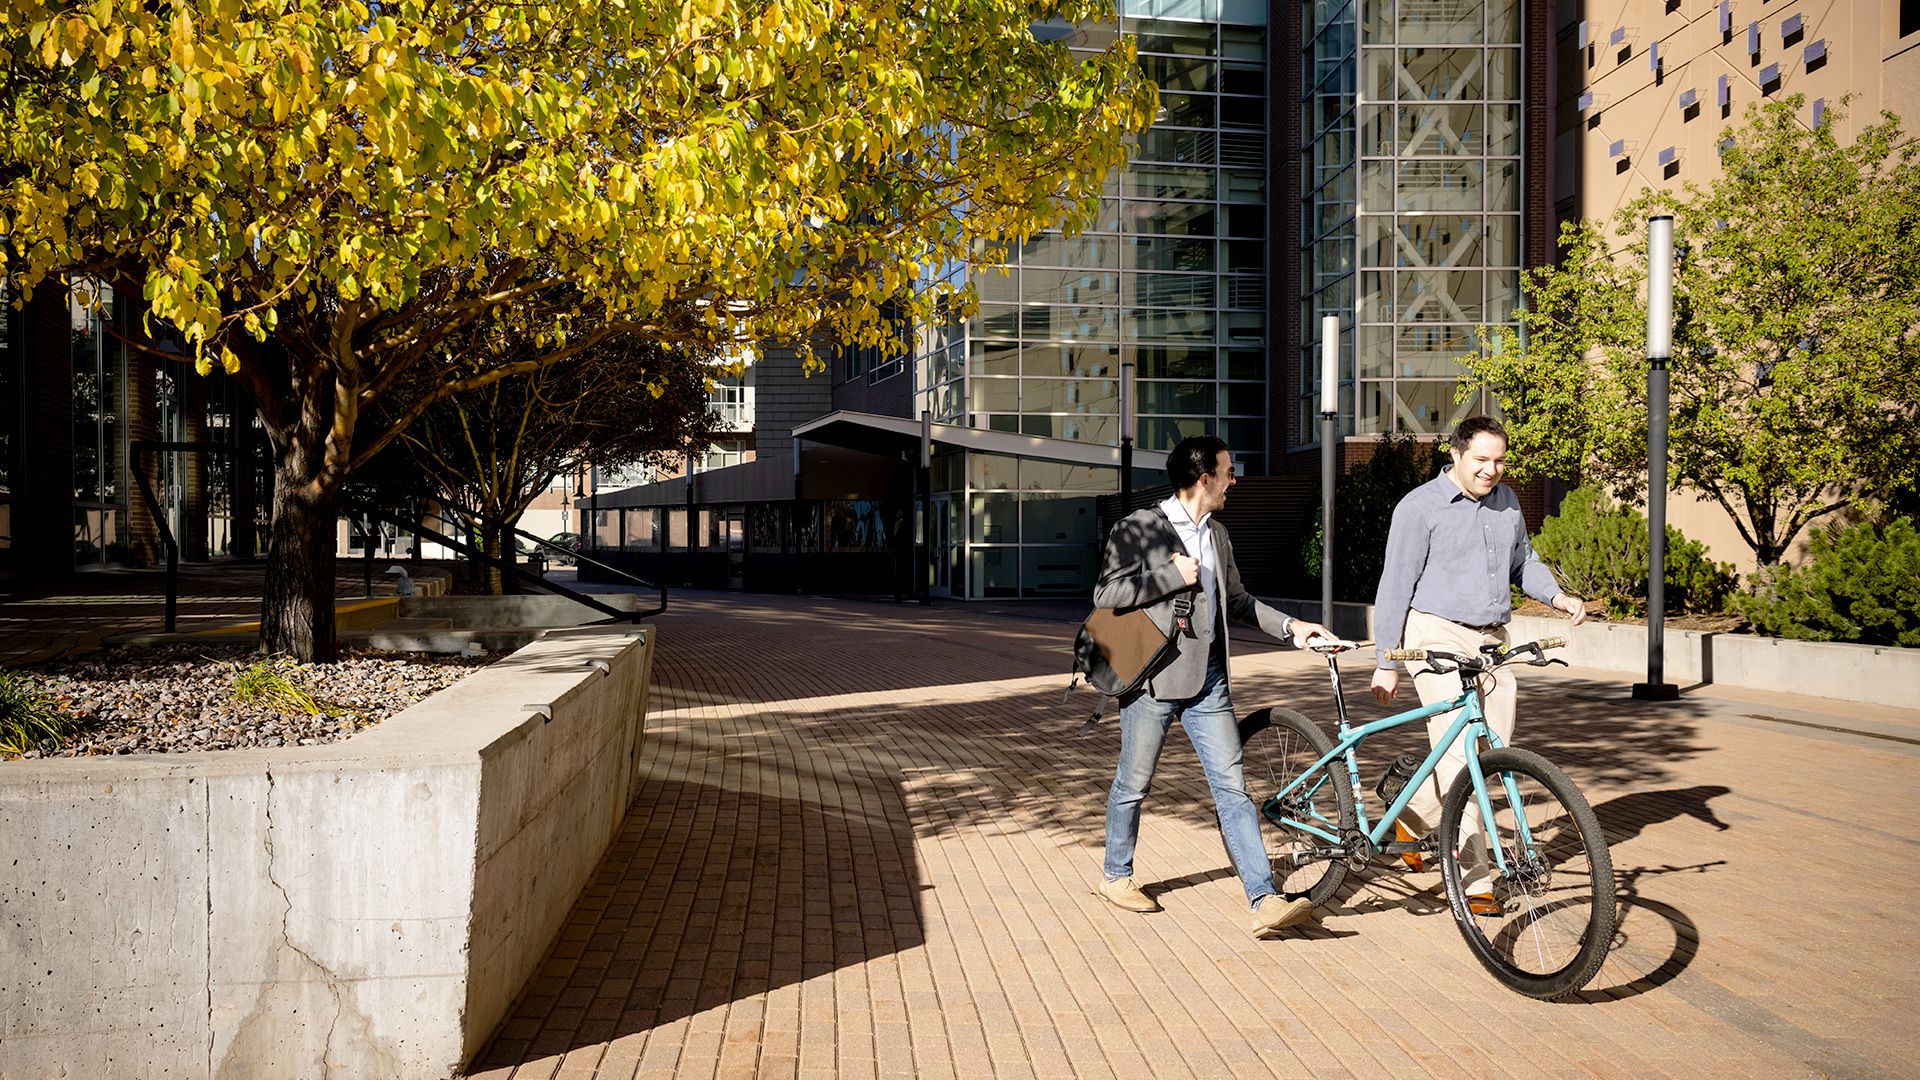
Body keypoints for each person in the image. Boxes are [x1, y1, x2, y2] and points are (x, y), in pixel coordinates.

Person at [1094, 435, 1331, 938]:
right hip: (1152, 681)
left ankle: (1264, 898)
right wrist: (1168, 574)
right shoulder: (1138, 527)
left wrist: (1293, 628)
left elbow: (1240, 601)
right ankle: (1116, 876)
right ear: (1205, 479)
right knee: (1133, 784)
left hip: (1210, 682)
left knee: (1232, 788)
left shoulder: (1217, 534)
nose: (1233, 481)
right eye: (1227, 472)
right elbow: (1107, 592)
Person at [1369, 416, 1587, 912]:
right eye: (1482, 460)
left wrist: (1556, 596)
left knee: (1494, 754)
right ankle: (1475, 880)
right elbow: (1394, 586)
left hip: (1491, 640)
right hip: (1435, 636)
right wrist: (1387, 661)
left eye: (1499, 460)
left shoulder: (1507, 503)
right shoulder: (1419, 508)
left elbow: (1523, 563)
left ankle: (1413, 816)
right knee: (1461, 760)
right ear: (1456, 454)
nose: (1492, 470)